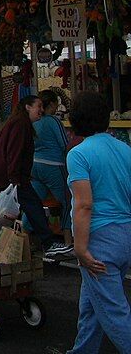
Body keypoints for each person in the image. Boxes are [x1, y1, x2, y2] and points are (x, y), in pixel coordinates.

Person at [66, 91, 131, 354]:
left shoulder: (79, 154)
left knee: (115, 312)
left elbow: (84, 204)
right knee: (92, 306)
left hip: (98, 238)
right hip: (125, 234)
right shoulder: (125, 149)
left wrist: (80, 249)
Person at [0, 95, 72, 258]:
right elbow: (14, 153)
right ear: (27, 107)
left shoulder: (18, 123)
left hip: (10, 176)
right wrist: (15, 179)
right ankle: (48, 243)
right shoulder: (21, 125)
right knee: (33, 206)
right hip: (13, 178)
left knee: (26, 208)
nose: (41, 110)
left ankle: (5, 246)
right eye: (38, 106)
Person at [30, 90, 72, 247]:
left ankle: (24, 236)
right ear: (53, 104)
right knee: (67, 202)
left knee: (33, 203)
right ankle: (68, 241)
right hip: (54, 167)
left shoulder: (34, 121)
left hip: (35, 166)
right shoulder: (54, 121)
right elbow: (64, 144)